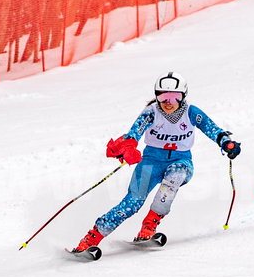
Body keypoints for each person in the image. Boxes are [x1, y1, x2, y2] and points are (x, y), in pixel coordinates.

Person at [70, 71, 241, 252]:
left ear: (183, 97)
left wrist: (226, 143)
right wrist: (128, 149)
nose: (168, 102)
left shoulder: (191, 112)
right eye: (162, 96)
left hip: (180, 160)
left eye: (174, 97)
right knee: (132, 203)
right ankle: (91, 239)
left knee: (174, 178)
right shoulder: (151, 112)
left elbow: (212, 128)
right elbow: (133, 134)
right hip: (150, 162)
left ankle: (149, 226)